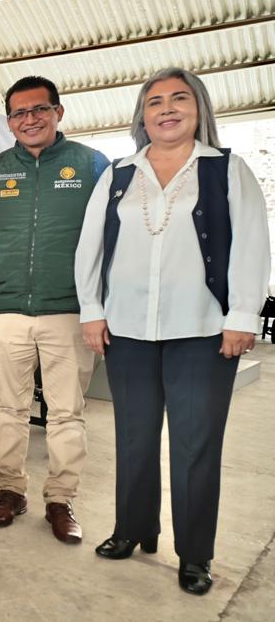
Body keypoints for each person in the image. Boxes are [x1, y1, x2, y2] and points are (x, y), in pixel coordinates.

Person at [75, 68, 269, 595]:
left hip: (203, 331)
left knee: (195, 445)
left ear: (198, 107)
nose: (167, 108)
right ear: (142, 116)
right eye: (155, 101)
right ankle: (132, 529)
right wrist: (92, 310)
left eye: (179, 98)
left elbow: (252, 244)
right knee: (134, 436)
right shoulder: (118, 174)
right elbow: (91, 246)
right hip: (127, 330)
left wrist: (242, 315)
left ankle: (194, 554)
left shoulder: (226, 169)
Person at [0, 76, 110, 542]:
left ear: (58, 112)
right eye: (19, 113)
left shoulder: (92, 164)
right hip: (5, 311)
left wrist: (100, 305)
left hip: (69, 311)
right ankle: (11, 492)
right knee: (10, 409)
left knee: (67, 413)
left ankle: (61, 500)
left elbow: (114, 236)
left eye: (39, 109)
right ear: (9, 122)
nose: (30, 119)